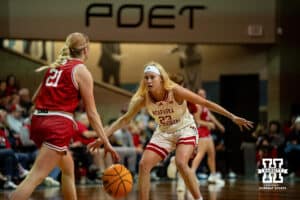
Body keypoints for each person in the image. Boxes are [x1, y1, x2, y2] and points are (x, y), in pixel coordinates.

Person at [88, 61, 253, 200]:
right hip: (164, 132)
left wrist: (232, 117)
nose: (149, 81)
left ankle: (198, 198)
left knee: (181, 162)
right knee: (143, 165)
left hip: (184, 128)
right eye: (146, 78)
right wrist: (103, 136)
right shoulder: (141, 98)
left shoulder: (175, 91)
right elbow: (123, 120)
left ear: (161, 78)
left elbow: (206, 103)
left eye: (152, 77)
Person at [10, 32, 119, 200]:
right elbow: (92, 113)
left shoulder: (55, 66)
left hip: (38, 121)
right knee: (35, 177)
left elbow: (34, 99)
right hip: (56, 126)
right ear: (86, 49)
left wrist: (57, 108)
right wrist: (106, 141)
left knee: (68, 168)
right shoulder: (81, 70)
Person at [190, 89, 226, 185]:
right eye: (200, 94)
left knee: (212, 154)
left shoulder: (204, 105)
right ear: (196, 95)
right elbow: (197, 121)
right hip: (201, 132)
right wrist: (208, 124)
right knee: (200, 154)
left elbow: (211, 116)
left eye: (204, 94)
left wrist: (219, 125)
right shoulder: (197, 105)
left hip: (207, 133)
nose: (202, 96)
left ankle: (213, 176)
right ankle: (192, 174)